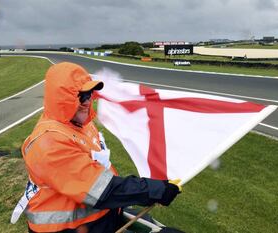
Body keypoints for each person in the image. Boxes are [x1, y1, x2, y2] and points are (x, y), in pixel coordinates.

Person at [11, 62, 181, 233]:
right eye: (81, 96)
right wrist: (156, 190)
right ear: (61, 100)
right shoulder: (50, 142)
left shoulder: (80, 124)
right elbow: (101, 190)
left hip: (98, 218)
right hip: (67, 229)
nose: (87, 101)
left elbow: (100, 175)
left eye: (89, 94)